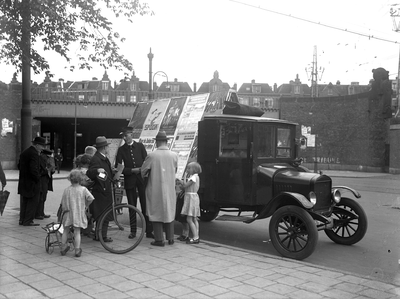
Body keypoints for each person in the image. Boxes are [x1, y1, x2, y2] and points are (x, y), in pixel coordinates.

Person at [141, 131, 178, 247]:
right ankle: (171, 238)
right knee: (169, 210)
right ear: (166, 141)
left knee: (156, 211)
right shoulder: (174, 155)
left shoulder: (152, 155)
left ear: (157, 142)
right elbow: (175, 170)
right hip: (170, 187)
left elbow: (143, 171)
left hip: (155, 187)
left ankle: (159, 239)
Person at [115, 127, 153, 239]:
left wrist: (142, 170)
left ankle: (149, 231)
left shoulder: (140, 146)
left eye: (126, 135)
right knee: (132, 205)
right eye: (123, 136)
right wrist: (131, 170)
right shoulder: (121, 150)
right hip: (130, 179)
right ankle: (133, 231)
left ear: (131, 134)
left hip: (141, 179)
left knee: (145, 205)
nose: (125, 138)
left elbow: (146, 162)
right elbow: (119, 167)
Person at [60, 169, 95, 257]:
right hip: (78, 213)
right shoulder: (83, 189)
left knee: (66, 230)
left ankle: (63, 247)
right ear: (80, 179)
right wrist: (86, 205)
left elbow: (62, 202)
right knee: (77, 232)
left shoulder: (66, 190)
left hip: (68, 213)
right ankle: (77, 249)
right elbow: (91, 198)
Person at [86, 136, 114, 242]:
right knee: (102, 214)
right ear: (104, 147)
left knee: (104, 213)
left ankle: (101, 235)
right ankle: (101, 236)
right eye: (107, 146)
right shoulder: (96, 158)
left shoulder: (103, 158)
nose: (108, 148)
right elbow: (90, 172)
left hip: (105, 189)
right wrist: (97, 170)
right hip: (101, 190)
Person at [18, 137, 47, 226]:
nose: (43, 148)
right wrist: (37, 178)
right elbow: (33, 169)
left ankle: (22, 219)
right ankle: (28, 220)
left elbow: (19, 165)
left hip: (24, 181)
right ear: (37, 145)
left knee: (25, 201)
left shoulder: (25, 152)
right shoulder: (34, 154)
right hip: (32, 182)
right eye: (42, 146)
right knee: (32, 201)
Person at [178, 162, 202, 244]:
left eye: (189, 168)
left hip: (191, 198)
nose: (187, 170)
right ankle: (196, 236)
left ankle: (195, 237)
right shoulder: (195, 177)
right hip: (193, 197)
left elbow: (185, 185)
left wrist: (184, 177)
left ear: (194, 169)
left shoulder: (193, 177)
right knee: (194, 219)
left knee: (189, 219)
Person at [35, 148, 55, 220]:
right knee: (41, 197)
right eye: (48, 157)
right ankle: (38, 213)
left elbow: (52, 170)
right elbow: (40, 172)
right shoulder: (40, 160)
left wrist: (51, 170)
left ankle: (41, 212)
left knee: (43, 197)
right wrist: (47, 170)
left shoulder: (46, 160)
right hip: (42, 180)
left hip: (46, 180)